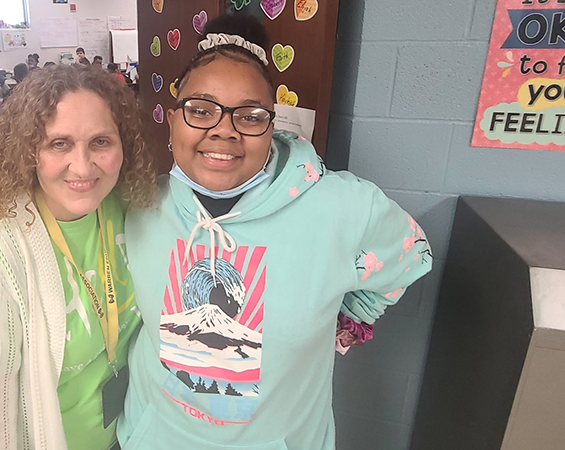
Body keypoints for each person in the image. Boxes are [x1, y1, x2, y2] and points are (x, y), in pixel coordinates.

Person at [117, 14, 433, 450]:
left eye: (248, 115)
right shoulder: (139, 205)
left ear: (271, 125)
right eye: (201, 110)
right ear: (174, 121)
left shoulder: (340, 209)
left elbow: (412, 254)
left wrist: (344, 321)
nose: (223, 129)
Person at [0, 64, 158, 450]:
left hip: (135, 434)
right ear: (28, 151)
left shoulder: (131, 209)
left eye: (100, 142)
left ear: (123, 143)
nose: (82, 166)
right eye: (58, 144)